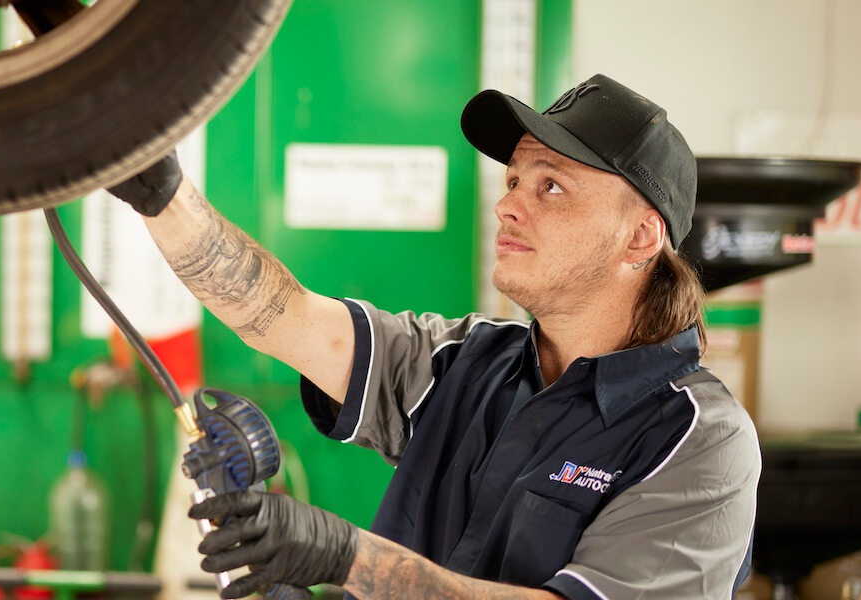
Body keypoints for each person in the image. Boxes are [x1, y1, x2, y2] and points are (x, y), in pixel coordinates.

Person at [108, 74, 760, 600]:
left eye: (551, 186)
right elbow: (280, 316)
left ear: (641, 237)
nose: (508, 205)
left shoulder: (701, 441)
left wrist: (345, 557)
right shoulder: (466, 362)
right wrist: (164, 196)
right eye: (512, 181)